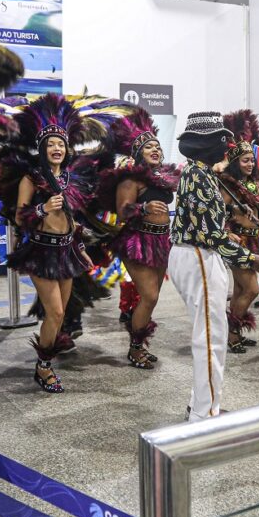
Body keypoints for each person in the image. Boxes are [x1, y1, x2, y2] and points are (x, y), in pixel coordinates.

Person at [169, 112, 259, 421]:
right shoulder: (199, 175)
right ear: (206, 145)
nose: (227, 145)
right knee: (211, 338)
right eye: (222, 139)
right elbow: (209, 235)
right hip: (199, 257)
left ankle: (202, 403)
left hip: (193, 253)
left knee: (209, 334)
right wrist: (248, 257)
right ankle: (204, 415)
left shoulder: (196, 171)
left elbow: (205, 224)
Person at [5, 94, 97, 393]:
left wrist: (81, 248)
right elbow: (20, 217)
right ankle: (43, 367)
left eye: (61, 144)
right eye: (51, 144)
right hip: (41, 251)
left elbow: (75, 220)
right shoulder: (31, 179)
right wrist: (42, 209)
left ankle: (47, 358)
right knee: (55, 312)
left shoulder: (73, 179)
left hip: (67, 250)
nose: (56, 148)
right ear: (42, 149)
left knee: (63, 311)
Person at [98, 108, 179, 367]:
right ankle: (134, 349)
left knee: (150, 298)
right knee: (150, 296)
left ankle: (139, 337)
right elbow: (122, 212)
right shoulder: (130, 179)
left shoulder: (164, 177)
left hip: (162, 241)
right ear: (137, 153)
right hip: (138, 242)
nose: (155, 149)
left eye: (157, 146)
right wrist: (143, 208)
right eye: (148, 147)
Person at [218, 116, 259, 353]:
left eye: (251, 161)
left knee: (240, 290)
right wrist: (226, 233)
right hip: (240, 242)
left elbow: (258, 212)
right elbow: (219, 214)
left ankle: (233, 334)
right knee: (253, 290)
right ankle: (231, 330)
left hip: (255, 240)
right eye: (245, 161)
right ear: (235, 162)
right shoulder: (229, 185)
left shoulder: (253, 184)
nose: (250, 164)